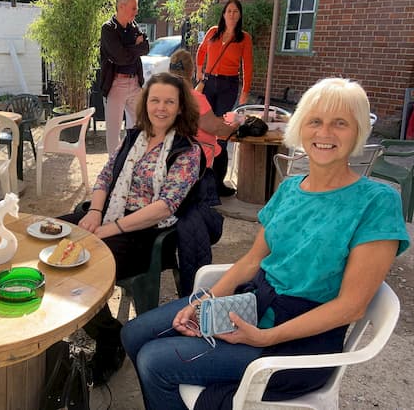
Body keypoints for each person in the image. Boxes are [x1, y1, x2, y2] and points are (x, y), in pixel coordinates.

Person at [121, 77, 410, 410]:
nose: (325, 133)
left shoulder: (376, 202)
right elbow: (252, 260)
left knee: (155, 362)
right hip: (254, 304)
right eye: (315, 121)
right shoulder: (290, 189)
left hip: (299, 342)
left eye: (340, 123)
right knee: (134, 335)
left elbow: (351, 306)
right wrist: (204, 299)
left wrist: (264, 337)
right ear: (302, 127)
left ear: (358, 131)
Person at [59, 72, 203, 385]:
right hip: (109, 213)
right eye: (155, 100)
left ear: (180, 108)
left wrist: (111, 230)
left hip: (146, 233)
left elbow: (165, 207)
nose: (161, 108)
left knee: (81, 265)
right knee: (51, 238)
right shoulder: (133, 136)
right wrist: (96, 212)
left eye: (169, 101)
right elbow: (105, 177)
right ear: (145, 104)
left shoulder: (187, 151)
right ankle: (111, 331)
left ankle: (109, 343)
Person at [196, 0, 253, 196]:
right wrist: (199, 71)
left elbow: (247, 66)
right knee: (203, 127)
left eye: (235, 11)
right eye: (228, 11)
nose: (231, 14)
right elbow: (201, 50)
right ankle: (201, 178)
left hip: (228, 85)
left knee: (221, 132)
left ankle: (217, 183)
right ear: (223, 14)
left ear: (239, 15)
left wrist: (245, 91)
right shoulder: (213, 32)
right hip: (210, 82)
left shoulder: (244, 38)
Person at [169, 49, 238, 169]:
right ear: (191, 72)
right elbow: (217, 128)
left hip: (170, 154)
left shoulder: (162, 95)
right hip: (197, 159)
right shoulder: (195, 98)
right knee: (221, 153)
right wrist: (235, 127)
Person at [99, 0, 149, 155]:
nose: (137, 11)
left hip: (135, 83)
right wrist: (135, 47)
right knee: (114, 133)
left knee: (140, 126)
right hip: (116, 84)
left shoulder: (134, 26)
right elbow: (120, 57)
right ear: (121, 7)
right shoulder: (108, 29)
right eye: (134, 8)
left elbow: (146, 48)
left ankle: (134, 163)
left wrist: (130, 49)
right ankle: (113, 172)